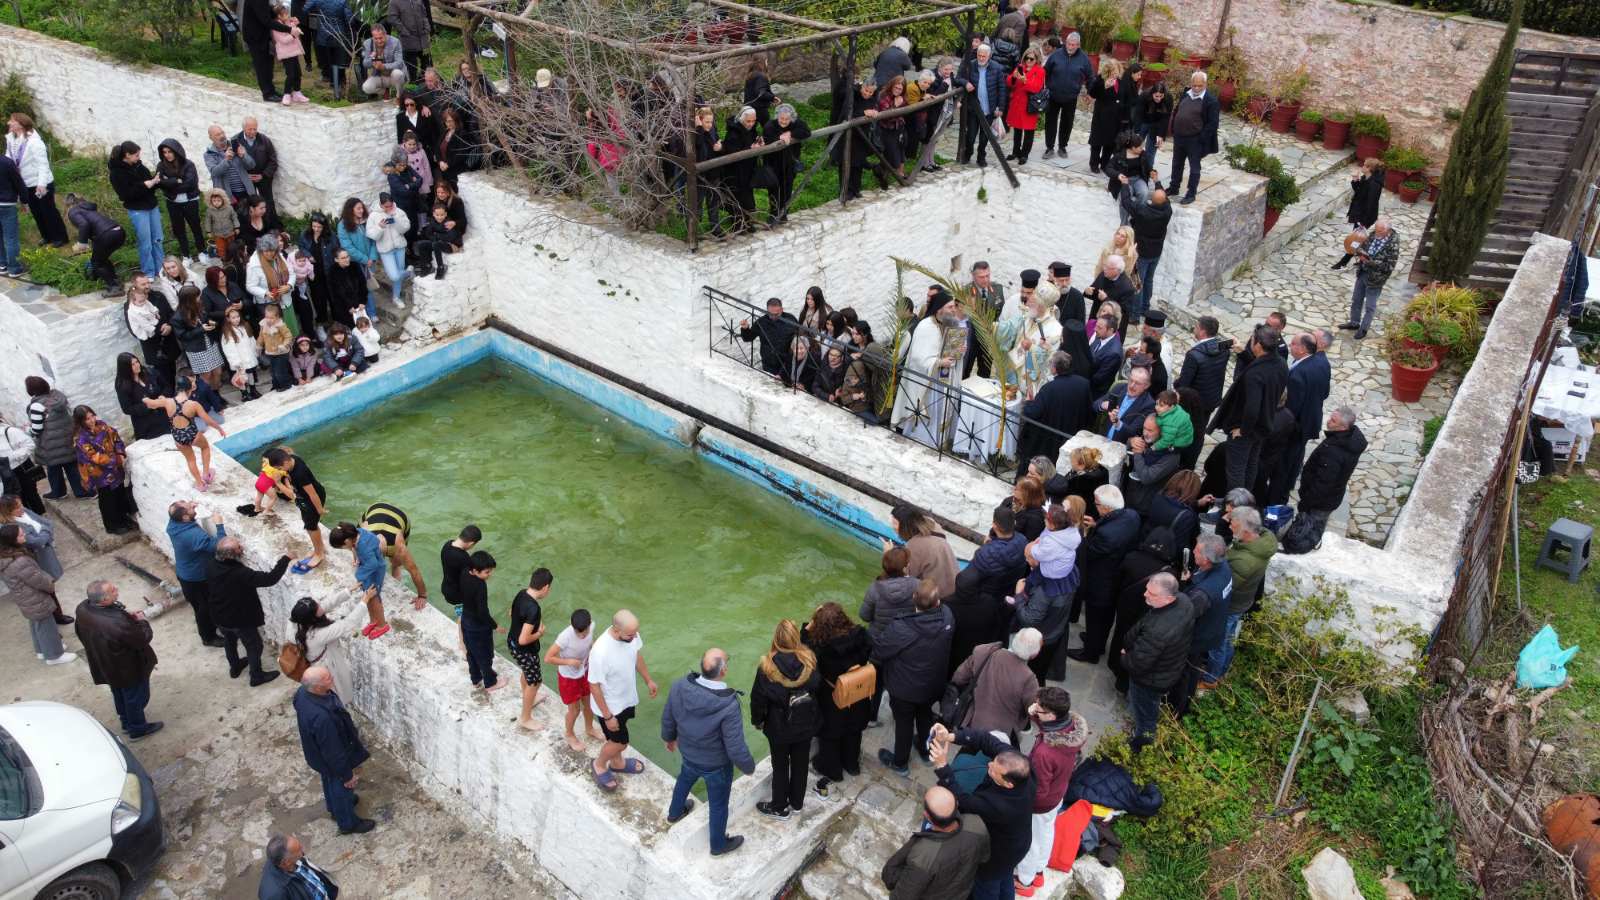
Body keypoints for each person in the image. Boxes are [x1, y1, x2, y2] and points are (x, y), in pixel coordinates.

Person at [661, 647, 755, 856]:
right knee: (718, 805)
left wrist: (669, 738)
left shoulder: (679, 686)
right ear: (723, 671)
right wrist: (748, 767)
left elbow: (668, 716)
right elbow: (735, 746)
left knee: (684, 779)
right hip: (716, 765)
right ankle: (718, 845)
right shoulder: (728, 705)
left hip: (689, 754)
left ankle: (674, 813)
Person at [929, 725, 1036, 900]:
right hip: (1019, 842)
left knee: (986, 885)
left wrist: (942, 766)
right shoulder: (1018, 764)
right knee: (1005, 877)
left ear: (1009, 784)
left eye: (994, 770)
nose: (989, 765)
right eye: (993, 761)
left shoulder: (1000, 806)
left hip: (999, 854)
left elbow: (963, 800)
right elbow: (986, 739)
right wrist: (950, 736)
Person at [873, 578, 953, 776]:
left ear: (914, 599)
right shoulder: (947, 617)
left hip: (904, 688)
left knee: (904, 723)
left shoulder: (901, 627)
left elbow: (881, 650)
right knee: (925, 715)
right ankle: (926, 751)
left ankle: (900, 762)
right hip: (932, 684)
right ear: (938, 603)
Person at [751, 619, 822, 819]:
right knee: (800, 764)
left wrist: (758, 721)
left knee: (780, 766)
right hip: (805, 723)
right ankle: (797, 803)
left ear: (776, 639)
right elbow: (817, 687)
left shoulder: (767, 667)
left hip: (778, 727)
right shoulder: (810, 661)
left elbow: (758, 699)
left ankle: (779, 806)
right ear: (796, 638)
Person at [801, 601, 873, 798]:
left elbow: (801, 650)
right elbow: (870, 649)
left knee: (831, 734)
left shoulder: (820, 646)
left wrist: (808, 627)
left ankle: (833, 771)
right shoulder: (860, 635)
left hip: (832, 695)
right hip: (857, 691)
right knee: (854, 729)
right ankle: (852, 765)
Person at [293, 666, 375, 834]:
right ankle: (348, 823)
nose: (332, 678)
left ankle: (334, 808)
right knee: (341, 786)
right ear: (316, 687)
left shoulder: (302, 693)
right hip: (331, 758)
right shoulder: (322, 718)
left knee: (329, 780)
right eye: (328, 678)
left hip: (317, 755)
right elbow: (334, 752)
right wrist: (347, 775)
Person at [75, 580, 162, 739]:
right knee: (136, 697)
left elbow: (80, 632)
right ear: (104, 600)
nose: (117, 590)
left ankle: (126, 721)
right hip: (128, 668)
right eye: (113, 590)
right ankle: (137, 729)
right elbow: (141, 639)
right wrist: (141, 621)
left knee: (119, 693)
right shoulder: (116, 624)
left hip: (106, 664)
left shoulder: (82, 609)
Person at [1210, 324, 1290, 494]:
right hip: (1263, 425)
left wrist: (1243, 430)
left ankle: (1234, 509)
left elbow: (1252, 408)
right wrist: (1244, 353)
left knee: (1236, 472)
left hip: (1246, 429)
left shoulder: (1255, 375)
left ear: (1259, 345)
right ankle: (1244, 502)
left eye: (1252, 340)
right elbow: (1262, 368)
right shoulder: (1281, 364)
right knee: (1251, 465)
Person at [1120, 572, 1195, 750]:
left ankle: (1139, 746)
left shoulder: (1158, 631)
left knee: (1145, 714)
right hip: (1168, 669)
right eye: (1147, 590)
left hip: (1149, 680)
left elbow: (1137, 663)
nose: (1145, 594)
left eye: (1151, 594)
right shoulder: (1184, 601)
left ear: (1168, 599)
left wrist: (1124, 656)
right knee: (1147, 708)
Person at [588, 610, 658, 791]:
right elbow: (593, 686)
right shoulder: (600, 651)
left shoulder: (630, 636)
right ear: (616, 630)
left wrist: (648, 679)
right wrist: (608, 716)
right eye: (630, 634)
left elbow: (636, 656)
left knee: (617, 737)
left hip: (626, 698)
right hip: (610, 707)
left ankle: (617, 763)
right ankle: (600, 764)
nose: (634, 637)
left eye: (635, 633)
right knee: (620, 742)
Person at [880, 785, 991, 900]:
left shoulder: (924, 854)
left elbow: (902, 896)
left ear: (927, 816)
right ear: (956, 804)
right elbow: (984, 858)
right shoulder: (976, 824)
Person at [1208, 507, 1277, 686]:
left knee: (1218, 644)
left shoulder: (1244, 561)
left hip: (1231, 605)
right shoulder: (1262, 538)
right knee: (1229, 639)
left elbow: (1225, 585)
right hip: (1243, 601)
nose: (1230, 527)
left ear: (1246, 531)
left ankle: (1211, 679)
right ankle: (1223, 670)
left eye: (1233, 525)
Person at [207, 536, 288, 686]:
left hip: (219, 615)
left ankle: (235, 666)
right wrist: (286, 558)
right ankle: (256, 676)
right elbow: (270, 579)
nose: (242, 548)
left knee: (229, 642)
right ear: (232, 554)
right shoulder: (240, 573)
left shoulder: (211, 564)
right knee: (254, 646)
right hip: (239, 619)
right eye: (239, 547)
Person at [1285, 407, 1367, 552]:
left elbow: (1323, 484)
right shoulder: (1346, 440)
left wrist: (1306, 502)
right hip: (1332, 497)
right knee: (1316, 525)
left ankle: (1304, 549)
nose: (1328, 422)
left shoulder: (1334, 452)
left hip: (1320, 502)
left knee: (1308, 530)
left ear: (1343, 427)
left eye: (1333, 420)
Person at [1, 523, 76, 665]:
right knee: (47, 627)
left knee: (37, 624)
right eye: (21, 535)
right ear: (12, 540)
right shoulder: (19, 561)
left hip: (25, 598)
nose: (24, 536)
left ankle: (42, 650)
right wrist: (50, 584)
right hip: (34, 598)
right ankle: (54, 655)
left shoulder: (6, 557)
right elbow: (38, 580)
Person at [1173, 533, 1232, 711]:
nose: (1193, 552)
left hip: (1197, 638)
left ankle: (1177, 709)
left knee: (1184, 673)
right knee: (1193, 669)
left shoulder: (1203, 593)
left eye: (1197, 550)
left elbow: (1185, 613)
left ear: (1206, 559)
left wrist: (1183, 588)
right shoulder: (1223, 567)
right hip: (1211, 631)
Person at [950, 629, 1041, 736]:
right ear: (1034, 655)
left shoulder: (984, 652)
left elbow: (959, 677)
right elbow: (1033, 709)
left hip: (972, 722)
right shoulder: (1029, 678)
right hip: (1003, 734)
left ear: (1014, 640)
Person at [1277, 332, 1332, 505]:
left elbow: (1292, 407)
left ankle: (1279, 495)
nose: (1290, 346)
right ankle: (1288, 483)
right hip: (1310, 420)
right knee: (1295, 456)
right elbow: (1325, 393)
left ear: (1301, 349)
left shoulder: (1298, 374)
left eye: (1293, 344)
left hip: (1296, 425)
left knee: (1285, 462)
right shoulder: (1322, 363)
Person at [164, 500, 227, 648]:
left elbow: (176, 512)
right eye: (189, 508)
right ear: (185, 518)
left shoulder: (174, 524)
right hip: (196, 579)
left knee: (201, 605)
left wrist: (188, 508)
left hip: (185, 574)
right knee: (203, 609)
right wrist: (219, 525)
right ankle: (208, 637)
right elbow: (218, 546)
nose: (193, 506)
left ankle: (214, 624)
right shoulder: (192, 535)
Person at [1174, 315, 1230, 467]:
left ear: (1203, 331)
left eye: (1196, 326)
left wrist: (1175, 384)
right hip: (1209, 401)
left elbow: (1184, 384)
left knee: (1185, 434)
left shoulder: (1193, 355)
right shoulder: (1223, 349)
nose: (1194, 328)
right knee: (1199, 434)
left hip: (1191, 404)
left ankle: (1181, 464)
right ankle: (1190, 465)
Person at [71, 406, 137, 534]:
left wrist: (119, 454)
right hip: (99, 473)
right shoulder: (80, 438)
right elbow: (92, 456)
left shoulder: (103, 427)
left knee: (119, 493)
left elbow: (116, 439)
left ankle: (123, 519)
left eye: (92, 416)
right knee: (107, 498)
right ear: (80, 421)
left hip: (115, 469)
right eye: (87, 419)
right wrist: (113, 461)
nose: (91, 421)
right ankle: (112, 525)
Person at [7, 113, 68, 248]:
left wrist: (41, 184)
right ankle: (46, 236)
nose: (8, 123)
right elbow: (9, 159)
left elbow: (43, 165)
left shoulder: (35, 141)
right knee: (36, 211)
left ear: (20, 124)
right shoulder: (12, 140)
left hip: (41, 183)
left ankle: (60, 237)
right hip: (26, 183)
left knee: (48, 210)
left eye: (11, 121)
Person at [546, 607, 603, 751]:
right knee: (575, 710)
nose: (582, 635)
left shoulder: (591, 627)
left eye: (585, 632)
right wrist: (569, 662)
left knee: (589, 704)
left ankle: (589, 728)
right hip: (568, 677)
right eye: (579, 633)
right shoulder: (564, 637)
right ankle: (569, 734)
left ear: (589, 625)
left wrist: (594, 649)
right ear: (573, 628)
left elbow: (590, 641)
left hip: (585, 672)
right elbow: (548, 658)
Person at [106, 141, 164, 278]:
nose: (139, 157)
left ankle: (161, 270)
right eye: (136, 155)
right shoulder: (116, 173)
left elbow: (149, 183)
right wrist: (145, 185)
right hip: (138, 210)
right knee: (146, 243)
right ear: (127, 155)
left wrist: (155, 181)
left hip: (152, 206)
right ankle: (148, 272)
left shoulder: (139, 166)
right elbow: (125, 195)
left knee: (158, 239)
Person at [24, 378, 88, 501]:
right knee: (72, 467)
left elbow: (37, 429)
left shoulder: (37, 405)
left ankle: (58, 492)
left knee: (54, 469)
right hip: (68, 439)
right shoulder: (58, 397)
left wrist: (28, 430)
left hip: (51, 445)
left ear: (31, 390)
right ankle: (83, 492)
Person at [266, 447, 328, 572]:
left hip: (312, 499)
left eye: (279, 468)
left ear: (285, 463)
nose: (280, 471)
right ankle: (320, 547)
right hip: (303, 498)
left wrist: (320, 509)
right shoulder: (293, 459)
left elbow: (313, 494)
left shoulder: (300, 473)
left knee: (311, 526)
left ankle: (319, 554)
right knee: (309, 523)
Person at [1338, 218, 1401, 340]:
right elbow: (1362, 247)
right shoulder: (1373, 235)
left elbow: (1389, 267)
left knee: (1370, 306)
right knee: (1356, 300)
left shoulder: (1393, 244)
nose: (1377, 234)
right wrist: (1360, 253)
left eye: (1380, 232)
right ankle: (1354, 322)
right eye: (1376, 230)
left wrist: (1370, 262)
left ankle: (1364, 329)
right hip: (1363, 272)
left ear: (1387, 231)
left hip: (1376, 279)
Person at [508, 567, 552, 729]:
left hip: (511, 643)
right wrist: (539, 633)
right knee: (535, 682)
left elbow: (511, 613)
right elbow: (524, 639)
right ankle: (525, 718)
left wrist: (529, 624)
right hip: (524, 650)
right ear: (546, 587)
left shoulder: (522, 593)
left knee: (527, 673)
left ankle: (530, 699)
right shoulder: (534, 608)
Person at [453, 549, 503, 690]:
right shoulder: (480, 585)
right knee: (485, 655)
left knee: (471, 653)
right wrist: (495, 626)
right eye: (487, 572)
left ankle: (475, 678)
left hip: (466, 620)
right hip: (478, 626)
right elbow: (482, 611)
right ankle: (491, 683)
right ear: (475, 571)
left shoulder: (464, 573)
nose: (489, 575)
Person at [887, 503, 959, 596]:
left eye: (895, 524)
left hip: (939, 596)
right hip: (955, 585)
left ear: (904, 527)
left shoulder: (914, 547)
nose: (893, 527)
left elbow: (903, 578)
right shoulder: (934, 526)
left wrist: (890, 554)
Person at [1041, 33, 1093, 161]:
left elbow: (1090, 77)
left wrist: (1090, 93)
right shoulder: (1056, 54)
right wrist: (1045, 87)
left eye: (1073, 45)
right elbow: (1045, 71)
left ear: (1078, 45)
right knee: (1050, 121)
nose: (1070, 46)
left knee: (1067, 123)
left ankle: (1062, 147)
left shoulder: (1084, 59)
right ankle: (1049, 147)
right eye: (1069, 44)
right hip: (1053, 95)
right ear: (1065, 42)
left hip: (1071, 97)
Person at [1124, 188, 1173, 319]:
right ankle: (1145, 308)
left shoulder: (1143, 211)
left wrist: (1124, 186)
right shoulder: (1167, 212)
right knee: (1149, 281)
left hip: (1142, 254)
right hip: (1156, 253)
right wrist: (1157, 182)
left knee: (1137, 284)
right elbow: (1166, 200)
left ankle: (1134, 316)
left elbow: (1126, 202)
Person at [956, 43, 1007, 167]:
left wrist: (1001, 107)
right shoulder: (970, 66)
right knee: (971, 136)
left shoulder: (997, 68)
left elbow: (1002, 88)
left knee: (985, 137)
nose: (981, 58)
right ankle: (968, 153)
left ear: (989, 56)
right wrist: (966, 82)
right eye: (979, 55)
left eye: (984, 56)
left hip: (989, 109)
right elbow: (957, 78)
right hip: (974, 108)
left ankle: (981, 156)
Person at [65, 193, 126, 295]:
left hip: (107, 235)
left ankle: (114, 287)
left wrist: (81, 243)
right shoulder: (88, 208)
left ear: (68, 205)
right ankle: (115, 281)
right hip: (119, 232)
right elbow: (93, 227)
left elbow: (84, 225)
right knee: (102, 259)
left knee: (97, 263)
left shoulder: (73, 211)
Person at [1333, 158, 1385, 269]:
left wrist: (1363, 222)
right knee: (1359, 239)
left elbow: (1371, 204)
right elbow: (1359, 192)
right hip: (1359, 213)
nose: (1362, 166)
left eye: (1365, 165)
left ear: (1369, 169)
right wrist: (1355, 180)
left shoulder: (1374, 185)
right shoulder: (1365, 178)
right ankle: (1365, 259)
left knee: (1355, 240)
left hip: (1365, 216)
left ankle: (1343, 262)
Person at [366, 192, 411, 309]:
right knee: (394, 276)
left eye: (390, 205)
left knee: (397, 275)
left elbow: (405, 228)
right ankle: (409, 272)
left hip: (400, 247)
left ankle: (396, 297)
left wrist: (395, 217)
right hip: (385, 251)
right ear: (380, 205)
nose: (389, 208)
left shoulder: (398, 211)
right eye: (386, 206)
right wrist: (380, 227)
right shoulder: (373, 216)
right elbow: (371, 235)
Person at [259, 833, 338, 899]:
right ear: (286, 863)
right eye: (299, 850)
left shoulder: (280, 857)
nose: (303, 850)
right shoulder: (275, 895)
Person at [1085, 58, 1129, 174]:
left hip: (1115, 118)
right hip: (1101, 116)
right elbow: (1093, 93)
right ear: (1108, 71)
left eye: (1117, 70)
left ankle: (1105, 164)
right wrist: (1104, 86)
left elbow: (1123, 97)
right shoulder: (1101, 79)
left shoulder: (1121, 81)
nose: (1115, 73)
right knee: (1097, 141)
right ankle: (1094, 164)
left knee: (1110, 142)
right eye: (1113, 71)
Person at [1004, 47, 1046, 166]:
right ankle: (1016, 152)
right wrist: (1013, 77)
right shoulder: (1020, 66)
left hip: (1029, 105)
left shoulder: (1040, 71)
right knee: (1017, 129)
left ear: (1036, 59)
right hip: (1017, 103)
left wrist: (1025, 81)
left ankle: (1024, 154)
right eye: (1026, 58)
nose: (1028, 61)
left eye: (1031, 59)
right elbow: (1008, 82)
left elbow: (1036, 87)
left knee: (1028, 131)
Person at [1096, 365, 1154, 445]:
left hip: (1120, 446)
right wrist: (1102, 405)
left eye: (1137, 383)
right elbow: (1095, 404)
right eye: (1131, 380)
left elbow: (1133, 431)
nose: (1131, 386)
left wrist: (1118, 423)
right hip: (1102, 438)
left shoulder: (1148, 404)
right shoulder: (1119, 388)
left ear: (1146, 386)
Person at [240, 0, 287, 101]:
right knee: (262, 65)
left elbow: (267, 13)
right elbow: (266, 20)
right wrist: (288, 29)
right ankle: (267, 93)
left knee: (268, 62)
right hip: (255, 36)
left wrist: (276, 11)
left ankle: (271, 90)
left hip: (263, 34)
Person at [438, 524, 480, 618]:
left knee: (459, 610)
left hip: (446, 588)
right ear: (471, 543)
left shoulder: (447, 545)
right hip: (458, 595)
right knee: (465, 617)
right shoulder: (464, 558)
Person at [415, 203, 462, 279]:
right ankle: (427, 266)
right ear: (433, 214)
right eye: (437, 215)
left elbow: (450, 237)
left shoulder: (448, 222)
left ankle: (441, 267)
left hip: (451, 245)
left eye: (442, 215)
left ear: (445, 214)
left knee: (436, 244)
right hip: (438, 242)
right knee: (422, 244)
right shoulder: (432, 222)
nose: (439, 217)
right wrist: (436, 236)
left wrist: (437, 235)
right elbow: (428, 234)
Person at [361, 24, 407, 100]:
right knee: (366, 87)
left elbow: (399, 63)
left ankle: (400, 96)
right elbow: (365, 64)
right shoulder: (367, 43)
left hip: (393, 76)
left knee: (398, 74)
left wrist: (384, 66)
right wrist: (372, 59)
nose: (379, 41)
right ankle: (385, 92)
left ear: (385, 34)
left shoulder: (395, 42)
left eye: (381, 38)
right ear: (372, 36)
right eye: (376, 38)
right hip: (379, 76)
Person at [388, 0, 431, 80]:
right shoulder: (394, 2)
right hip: (408, 40)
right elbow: (392, 18)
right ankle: (413, 86)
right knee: (411, 68)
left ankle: (426, 83)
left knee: (427, 64)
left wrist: (427, 27)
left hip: (423, 39)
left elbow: (424, 14)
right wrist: (404, 31)